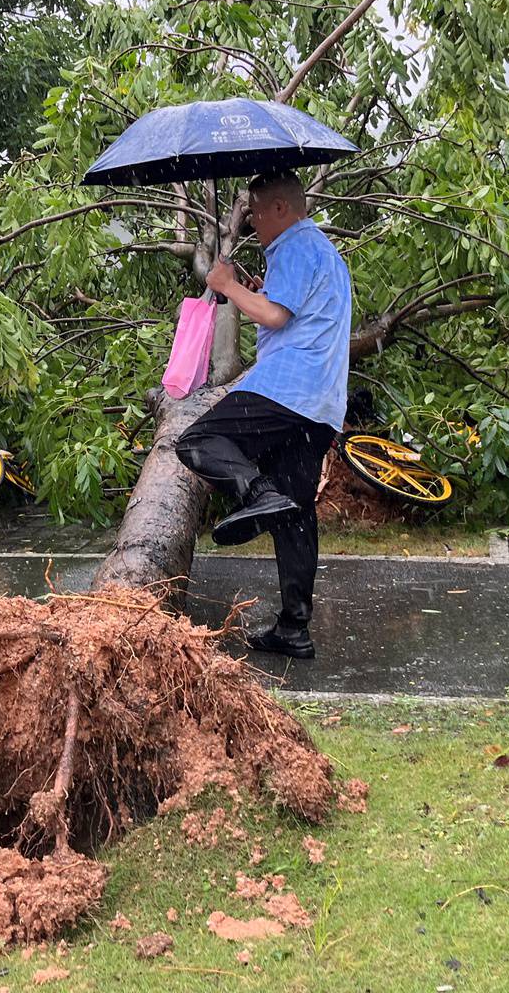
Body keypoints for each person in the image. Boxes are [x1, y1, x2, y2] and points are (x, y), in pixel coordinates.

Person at [175, 170, 352, 660]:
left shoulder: (296, 244)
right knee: (296, 514)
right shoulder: (325, 254)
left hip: (287, 389)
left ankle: (256, 494)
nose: (251, 219)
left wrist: (229, 285)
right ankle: (294, 628)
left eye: (255, 209)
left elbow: (275, 317)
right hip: (320, 406)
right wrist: (255, 289)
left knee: (197, 441)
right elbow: (290, 312)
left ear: (281, 209)